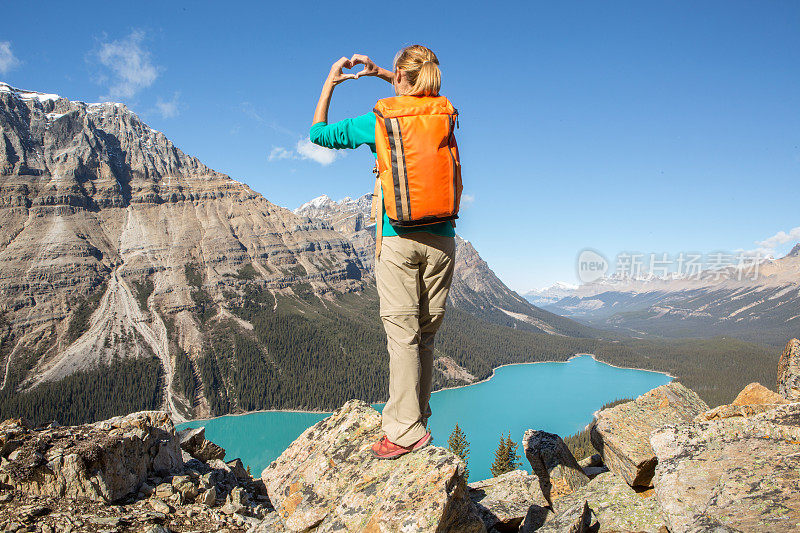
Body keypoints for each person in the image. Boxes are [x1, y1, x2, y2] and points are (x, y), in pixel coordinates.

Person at [309, 45, 458, 459]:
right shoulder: (443, 112)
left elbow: (319, 134)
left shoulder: (378, 120)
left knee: (402, 336)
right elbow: (415, 96)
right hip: (443, 238)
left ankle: (402, 432)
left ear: (399, 76)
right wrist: (383, 73)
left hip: (397, 238)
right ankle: (418, 420)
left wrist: (331, 83)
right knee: (425, 336)